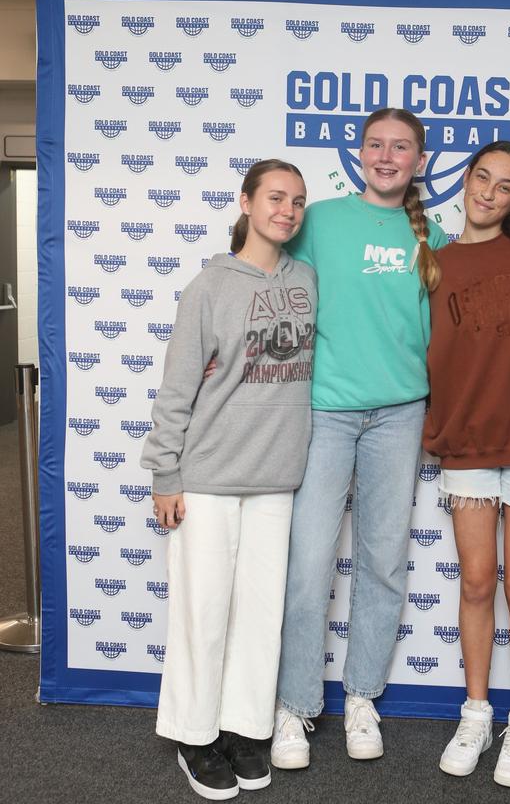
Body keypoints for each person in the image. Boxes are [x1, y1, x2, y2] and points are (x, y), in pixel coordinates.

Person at [270, 107, 448, 769]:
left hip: (400, 417)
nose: (386, 155)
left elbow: (439, 340)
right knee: (310, 561)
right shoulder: (319, 221)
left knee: (382, 560)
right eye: (376, 144)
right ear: (359, 153)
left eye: (401, 147)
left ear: (419, 161)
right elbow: (270, 280)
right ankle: (295, 706)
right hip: (326, 412)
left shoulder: (435, 235)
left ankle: (363, 698)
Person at [141, 160, 316, 800]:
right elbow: (178, 387)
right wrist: (166, 471)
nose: (288, 210)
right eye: (275, 198)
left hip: (277, 475)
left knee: (260, 614)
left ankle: (244, 726)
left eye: (298, 201)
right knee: (203, 610)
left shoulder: (308, 279)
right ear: (245, 202)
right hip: (209, 473)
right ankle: (194, 734)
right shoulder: (208, 286)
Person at [422, 140, 510, 787]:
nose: (488, 192)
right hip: (469, 450)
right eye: (483, 177)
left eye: (505, 186)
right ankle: (476, 712)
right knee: (477, 582)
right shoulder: (435, 263)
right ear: (467, 180)